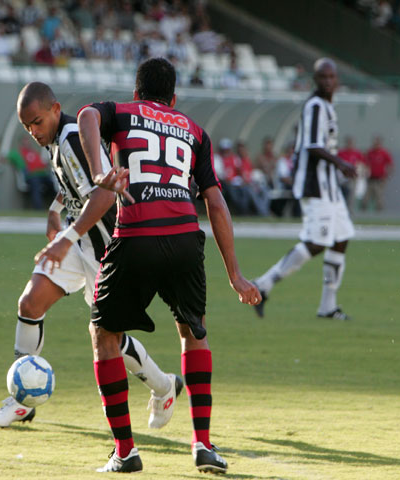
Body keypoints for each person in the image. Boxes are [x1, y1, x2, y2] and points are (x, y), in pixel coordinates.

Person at [77, 57, 260, 474]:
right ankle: (203, 445)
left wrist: (100, 172)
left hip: (136, 235)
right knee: (193, 332)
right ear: (173, 98)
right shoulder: (194, 130)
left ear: (137, 92)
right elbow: (215, 201)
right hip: (184, 241)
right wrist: (235, 274)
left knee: (104, 334)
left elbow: (87, 115)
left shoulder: (120, 112)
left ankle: (125, 452)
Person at [0, 82, 182, 429]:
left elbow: (104, 196)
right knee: (29, 304)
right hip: (80, 239)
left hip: (109, 249)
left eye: (37, 122)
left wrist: (65, 239)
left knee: (109, 340)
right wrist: (55, 208)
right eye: (27, 126)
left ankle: (164, 386)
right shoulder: (59, 137)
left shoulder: (73, 138)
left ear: (55, 109)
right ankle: (21, 400)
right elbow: (78, 182)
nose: (33, 132)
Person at [252, 58, 356, 321]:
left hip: (330, 186)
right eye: (323, 77)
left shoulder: (328, 106)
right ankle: (263, 285)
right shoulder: (315, 106)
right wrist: (341, 163)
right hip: (315, 185)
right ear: (315, 80)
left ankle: (328, 307)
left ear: (337, 80)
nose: (328, 82)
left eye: (332, 77)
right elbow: (311, 144)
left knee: (341, 238)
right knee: (317, 242)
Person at [361, 136, 393, 211]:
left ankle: (379, 211)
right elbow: (364, 163)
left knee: (379, 195)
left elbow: (390, 165)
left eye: (378, 143)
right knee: (367, 195)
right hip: (371, 178)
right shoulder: (370, 152)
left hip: (380, 178)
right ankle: (363, 211)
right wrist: (364, 172)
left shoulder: (384, 153)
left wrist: (387, 176)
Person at [338, 136, 366, 212]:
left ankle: (349, 210)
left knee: (351, 194)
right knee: (341, 193)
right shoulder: (341, 152)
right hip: (342, 177)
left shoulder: (357, 153)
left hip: (352, 177)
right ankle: (341, 209)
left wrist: (361, 173)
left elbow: (361, 164)